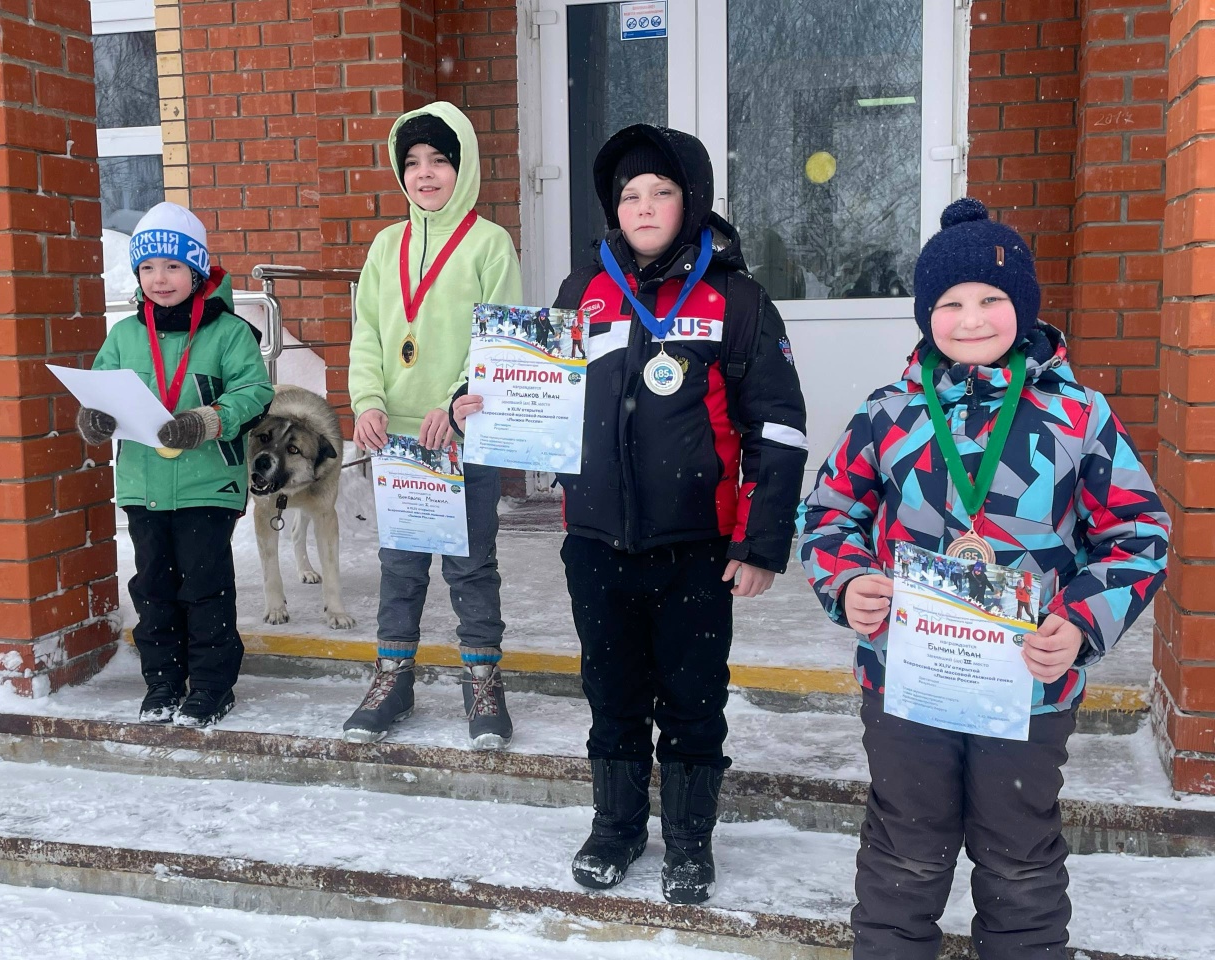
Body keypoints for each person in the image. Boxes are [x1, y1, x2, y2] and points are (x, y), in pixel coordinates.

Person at [796, 197, 1170, 959]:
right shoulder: (888, 413)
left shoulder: (1079, 416)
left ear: (1023, 307)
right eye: (950, 303)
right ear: (926, 316)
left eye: (991, 299)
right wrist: (849, 581)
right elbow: (828, 514)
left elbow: (1138, 535)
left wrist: (1081, 623)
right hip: (908, 679)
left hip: (1028, 686)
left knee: (1018, 856)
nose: (970, 319)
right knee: (904, 850)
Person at [462, 124, 808, 904]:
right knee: (611, 694)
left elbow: (778, 430)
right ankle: (615, 828)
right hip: (596, 543)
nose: (644, 206)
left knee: (693, 700)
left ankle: (688, 842)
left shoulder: (739, 302)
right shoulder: (581, 292)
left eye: (661, 191)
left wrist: (760, 542)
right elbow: (529, 385)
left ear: (693, 201)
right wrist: (475, 402)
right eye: (629, 195)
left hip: (697, 549)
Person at [345, 102, 522, 750]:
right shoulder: (385, 245)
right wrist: (367, 401)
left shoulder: (489, 244)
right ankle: (393, 677)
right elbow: (368, 331)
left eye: (439, 160)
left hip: (461, 436)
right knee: (401, 565)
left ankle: (483, 681)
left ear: (463, 166)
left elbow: (500, 338)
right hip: (396, 439)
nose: (424, 173)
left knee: (471, 566)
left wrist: (454, 402)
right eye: (413, 162)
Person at [75, 201, 273, 728]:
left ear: (197, 271)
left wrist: (208, 420)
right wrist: (95, 417)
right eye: (147, 268)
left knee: (204, 588)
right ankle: (162, 683)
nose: (159, 279)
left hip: (208, 484)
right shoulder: (124, 335)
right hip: (143, 483)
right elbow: (101, 393)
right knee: (153, 589)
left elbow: (255, 392)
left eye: (172, 266)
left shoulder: (229, 332)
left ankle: (210, 687)